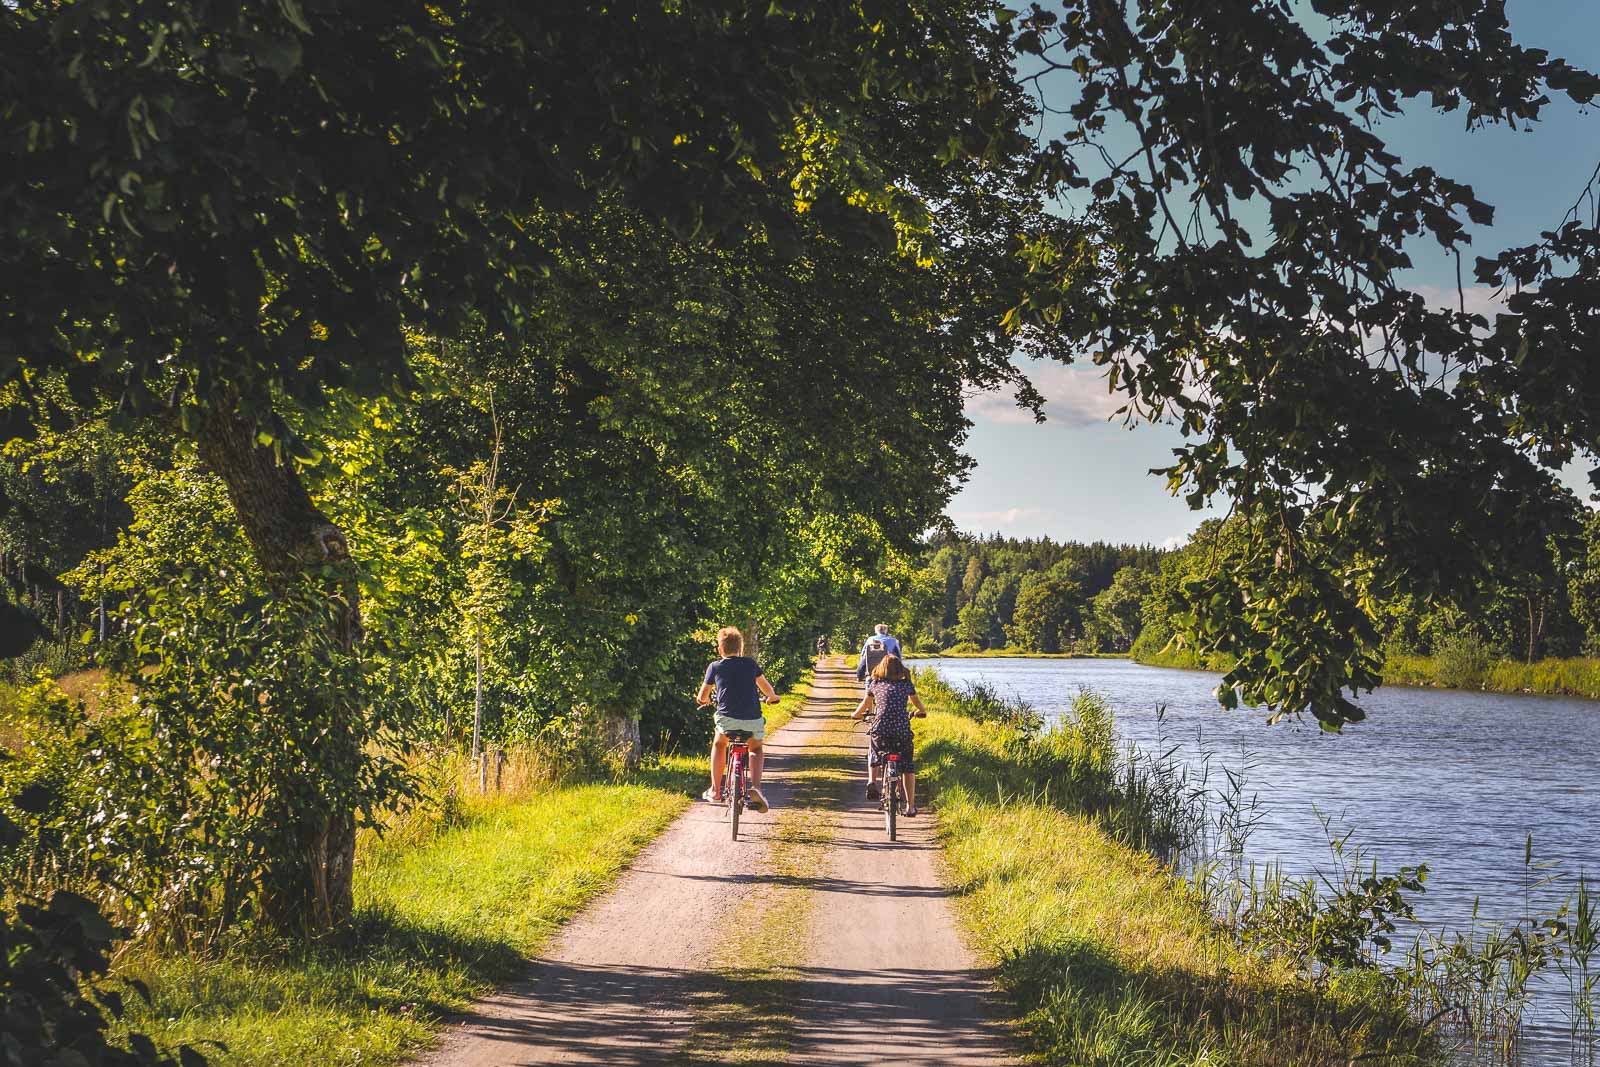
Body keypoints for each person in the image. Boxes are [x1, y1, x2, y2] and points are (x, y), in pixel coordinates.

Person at [696, 626, 779, 812]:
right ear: (741, 649)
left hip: (727, 721)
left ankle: (716, 790)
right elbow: (767, 689)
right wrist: (772, 698)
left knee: (719, 744)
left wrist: (704, 700)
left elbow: (702, 695)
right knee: (756, 748)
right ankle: (756, 788)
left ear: (720, 649)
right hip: (752, 720)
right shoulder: (751, 664)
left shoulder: (715, 666)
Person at [851, 653, 926, 817]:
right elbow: (918, 704)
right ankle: (911, 807)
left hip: (881, 729)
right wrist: (920, 711)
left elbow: (865, 704)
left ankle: (872, 781)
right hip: (901, 731)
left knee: (874, 749)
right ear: (900, 669)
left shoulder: (875, 683)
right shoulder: (906, 685)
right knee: (907, 766)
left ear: (881, 668)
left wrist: (855, 715)